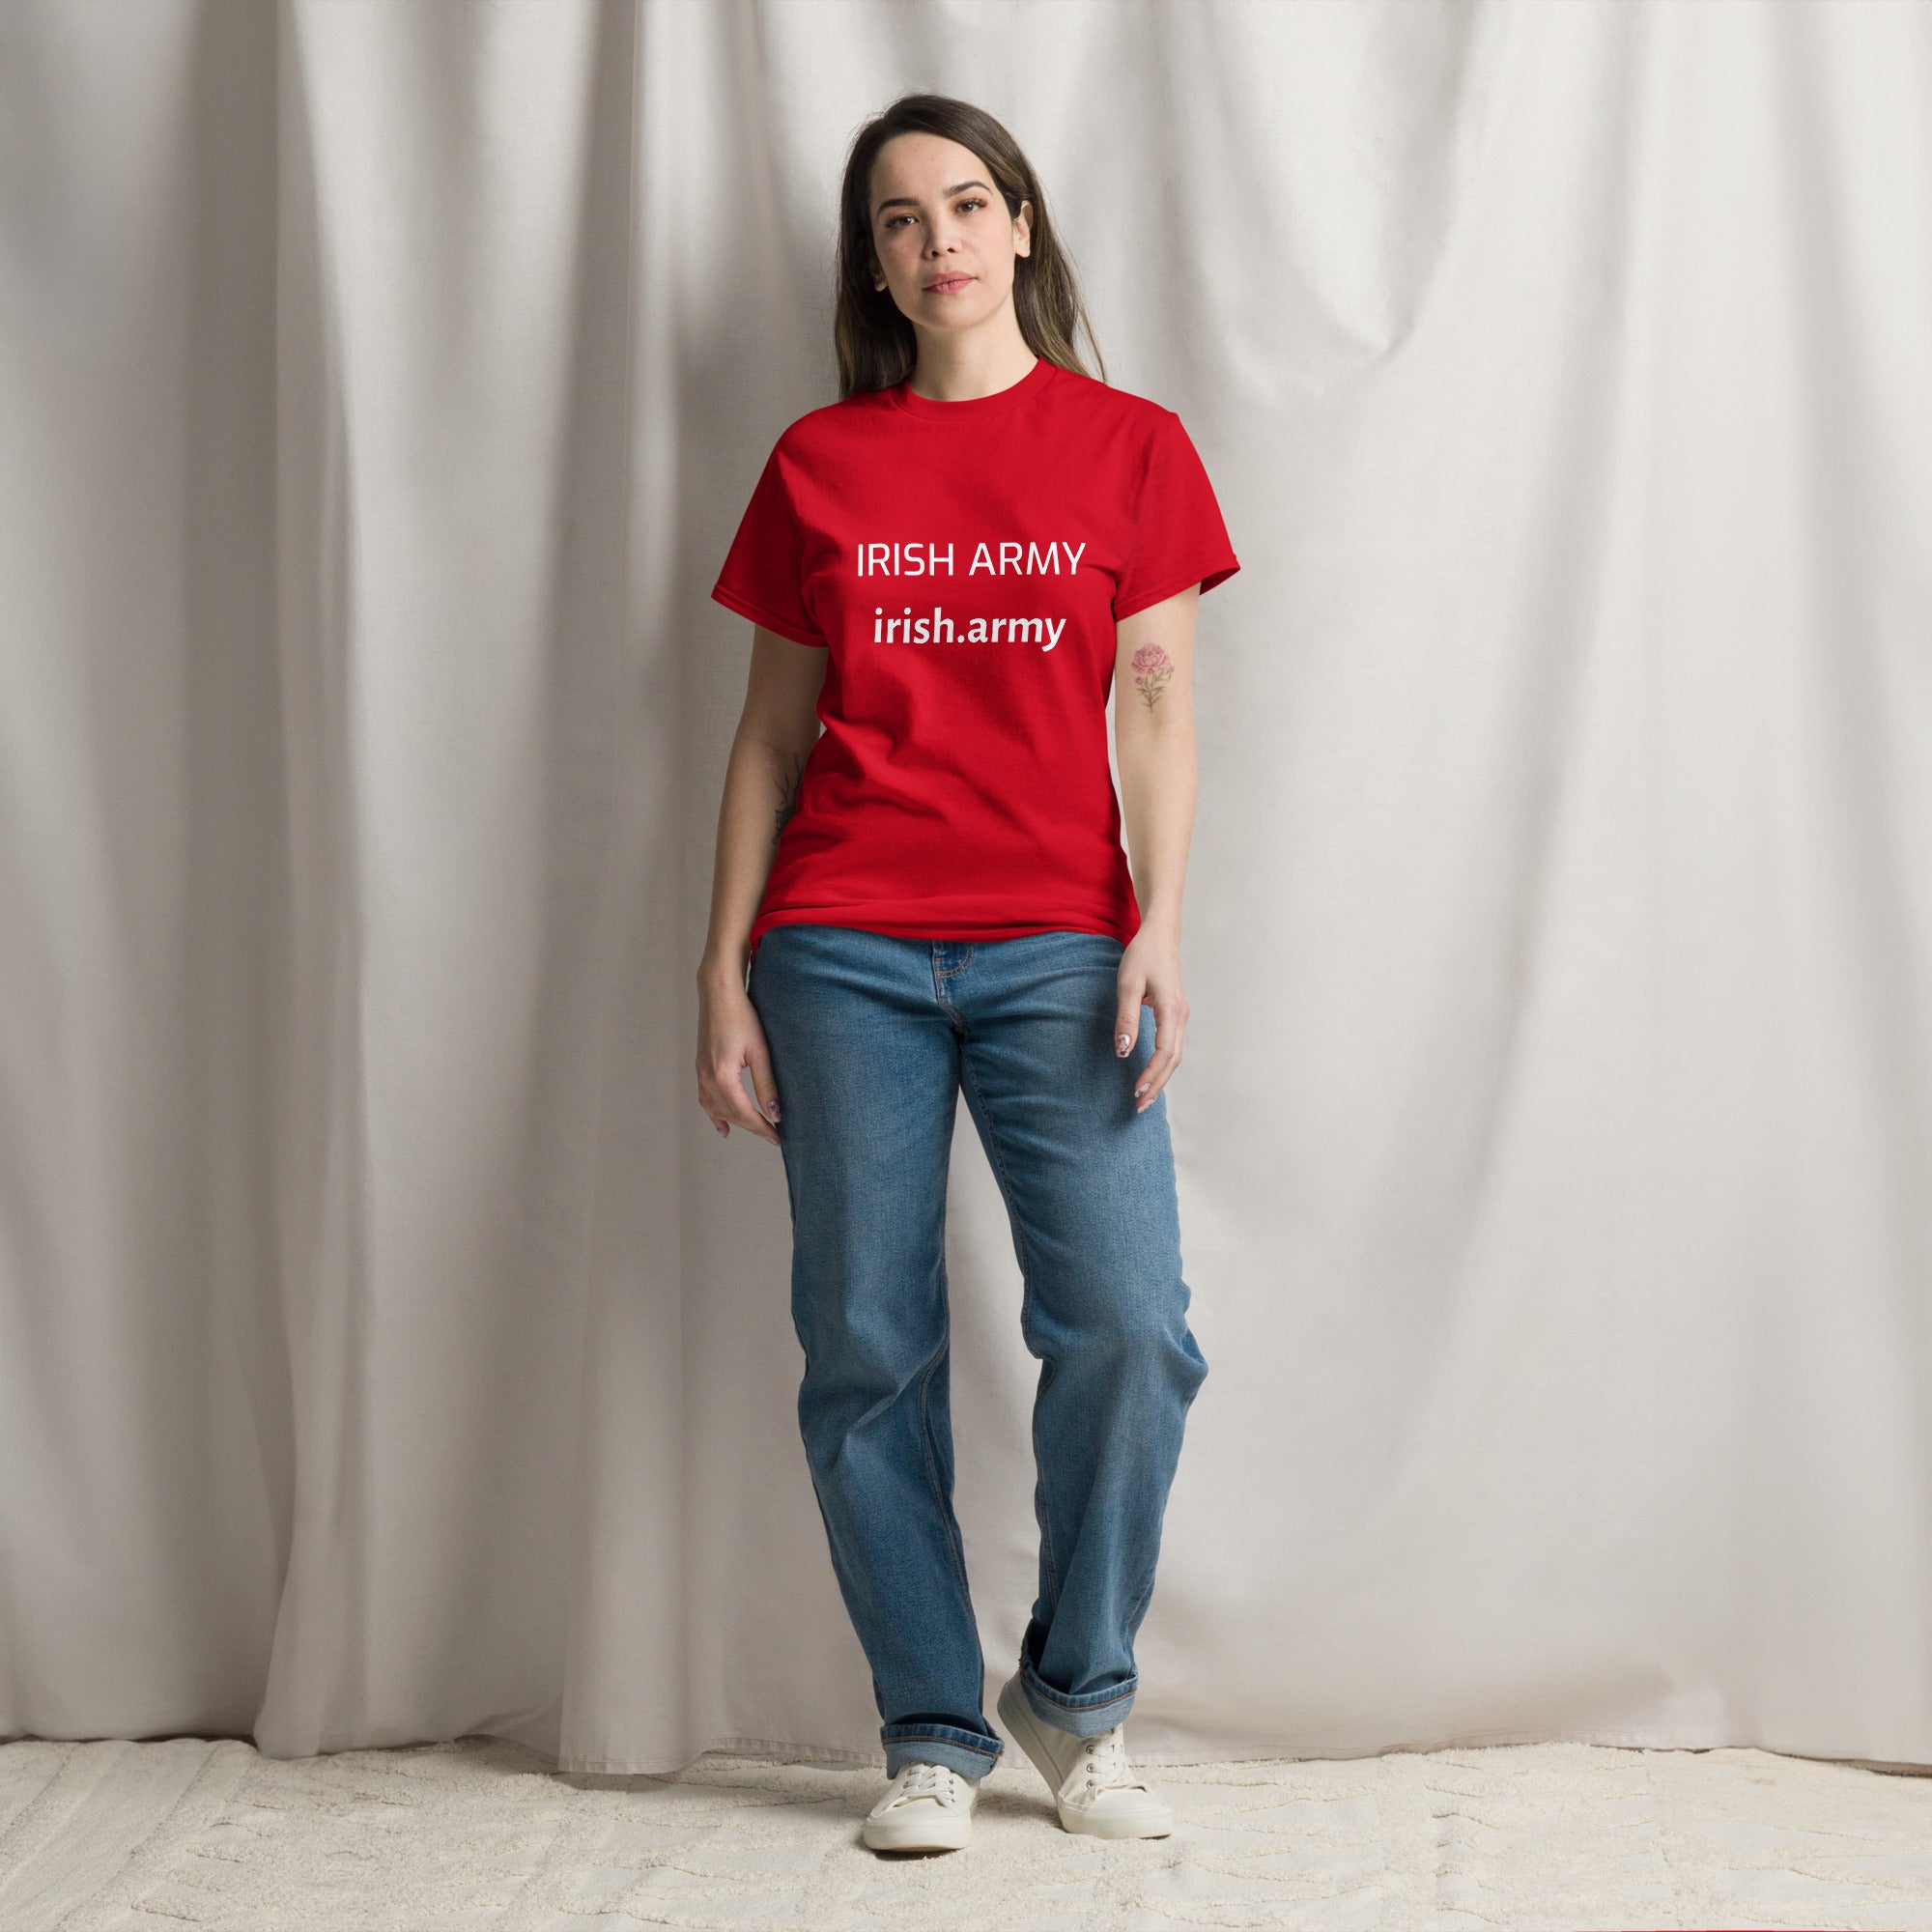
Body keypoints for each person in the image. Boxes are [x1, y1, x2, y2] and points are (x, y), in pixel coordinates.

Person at [696, 92, 1239, 1857]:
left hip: (1058, 947)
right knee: (864, 1343)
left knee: (1131, 1335)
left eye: (968, 204)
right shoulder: (820, 464)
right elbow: (769, 743)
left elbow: (1153, 704)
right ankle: (931, 1724)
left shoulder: (1131, 449)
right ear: (877, 264)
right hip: (840, 946)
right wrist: (723, 971)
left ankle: (1072, 1698)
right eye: (900, 221)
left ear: (1022, 227)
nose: (939, 242)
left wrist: (1159, 918)